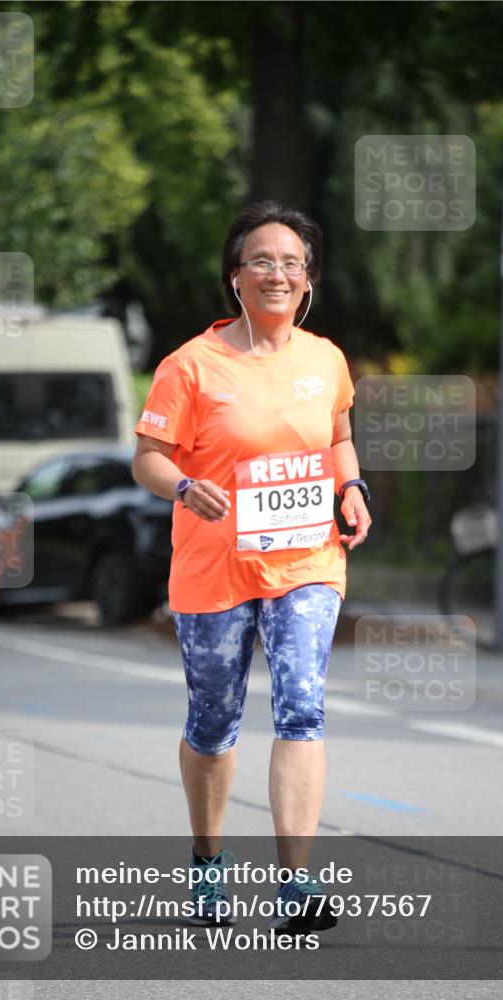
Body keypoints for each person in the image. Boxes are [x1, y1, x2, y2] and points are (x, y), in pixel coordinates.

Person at [132, 201, 371, 933]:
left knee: (301, 702)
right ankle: (208, 860)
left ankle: (293, 887)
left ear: (308, 280)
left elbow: (337, 436)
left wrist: (351, 486)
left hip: (305, 559)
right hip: (213, 567)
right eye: (261, 260)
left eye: (291, 262)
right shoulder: (191, 366)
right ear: (235, 277)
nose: (276, 272)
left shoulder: (324, 360)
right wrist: (180, 485)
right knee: (213, 719)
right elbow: (147, 457)